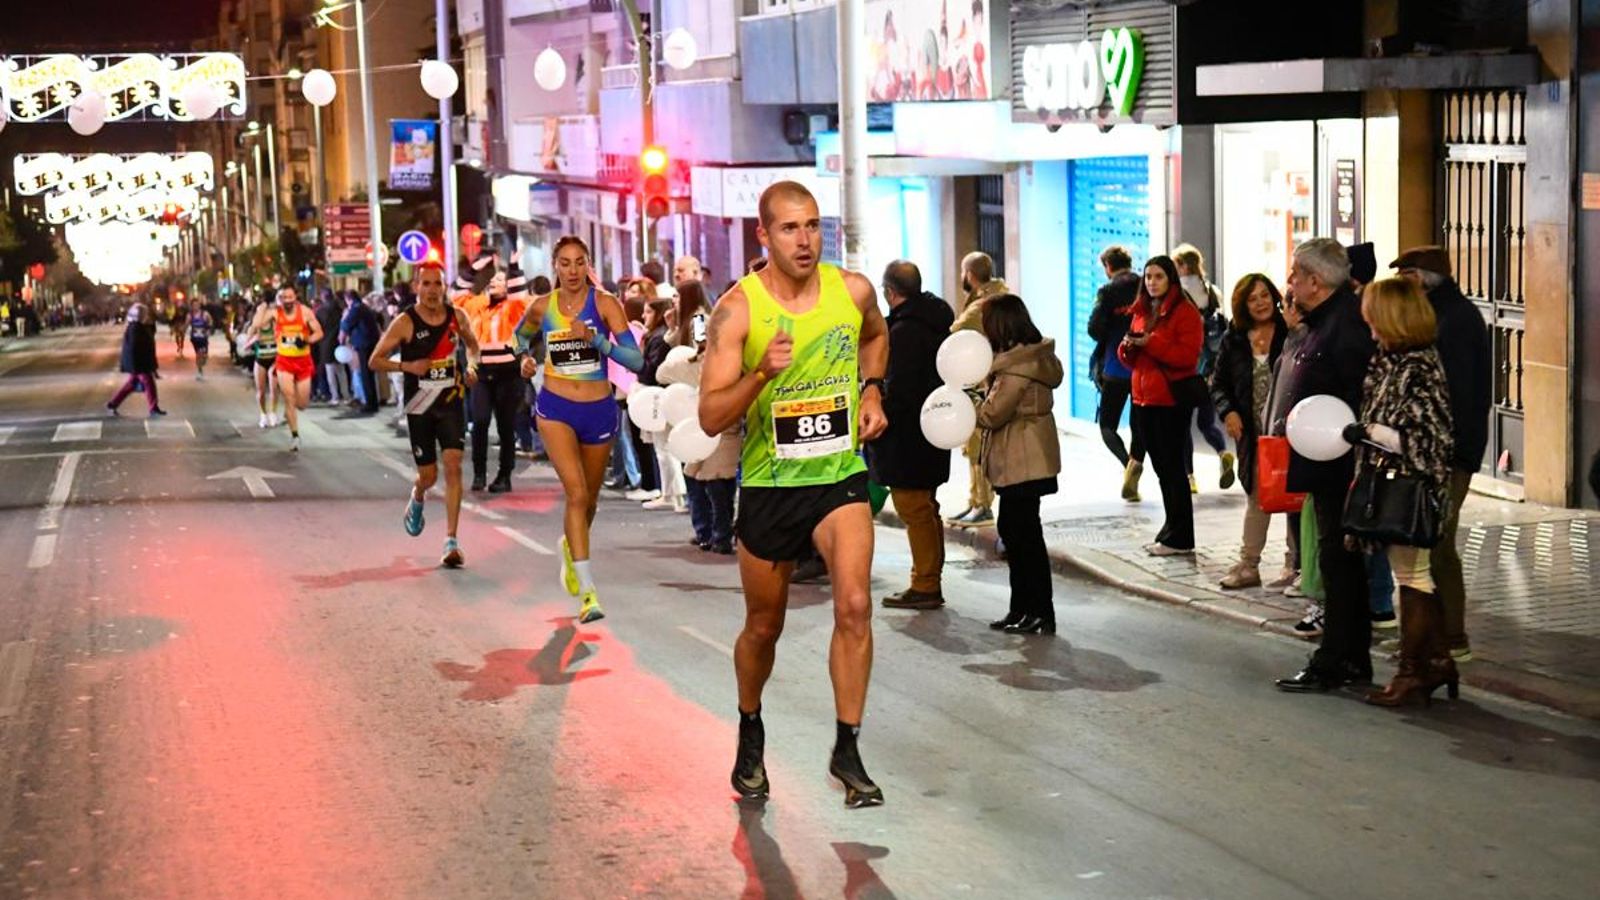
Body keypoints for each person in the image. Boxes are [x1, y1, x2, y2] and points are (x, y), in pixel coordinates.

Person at [698, 180, 889, 809]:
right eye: (789, 228)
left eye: (812, 226)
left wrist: (870, 392)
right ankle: (750, 726)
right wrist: (761, 373)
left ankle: (849, 747)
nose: (804, 240)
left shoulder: (852, 290)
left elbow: (874, 335)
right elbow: (707, 416)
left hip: (838, 476)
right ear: (764, 235)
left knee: (856, 605)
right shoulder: (739, 310)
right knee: (763, 626)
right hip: (772, 485)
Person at [513, 237, 644, 624]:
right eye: (565, 263)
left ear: (588, 265)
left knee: (589, 500)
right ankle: (589, 594)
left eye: (579, 263)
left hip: (598, 410)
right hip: (556, 408)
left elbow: (635, 359)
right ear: (555, 265)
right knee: (575, 493)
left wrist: (599, 341)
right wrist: (524, 359)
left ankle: (571, 546)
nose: (572, 271)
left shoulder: (605, 304)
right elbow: (520, 338)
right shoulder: (542, 306)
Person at [1342, 277, 1458, 706]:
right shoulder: (1388, 360)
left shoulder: (1419, 366)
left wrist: (1370, 431)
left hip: (1411, 489)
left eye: (1373, 316)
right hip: (1385, 484)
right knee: (1412, 576)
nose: (1368, 324)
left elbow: (1428, 441)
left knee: (1413, 577)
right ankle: (1438, 662)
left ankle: (1413, 672)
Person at [1273, 238, 1378, 693]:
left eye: (1296, 274)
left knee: (1339, 564)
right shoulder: (1318, 322)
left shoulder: (1347, 324)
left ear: (1315, 281)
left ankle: (1335, 659)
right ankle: (1349, 657)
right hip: (1322, 464)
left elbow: (1359, 396)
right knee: (1337, 563)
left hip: (1341, 466)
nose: (1290, 282)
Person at [1391, 246, 1491, 662]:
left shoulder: (1453, 320)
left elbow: (1456, 396)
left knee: (1438, 541)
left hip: (1450, 453)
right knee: (1430, 542)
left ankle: (1451, 638)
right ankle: (1430, 638)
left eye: (1407, 274)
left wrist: (1449, 454)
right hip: (1443, 450)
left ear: (1423, 277)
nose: (1402, 283)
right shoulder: (1439, 314)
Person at [369, 262, 481, 568]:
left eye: (438, 284)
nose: (432, 290)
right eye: (426, 284)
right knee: (430, 475)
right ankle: (418, 494)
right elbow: (375, 361)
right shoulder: (405, 322)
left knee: (454, 464)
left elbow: (474, 347)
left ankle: (451, 540)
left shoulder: (458, 317)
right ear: (417, 286)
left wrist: (472, 368)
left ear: (444, 287)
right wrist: (407, 366)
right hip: (419, 405)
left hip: (451, 402)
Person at [866, 259, 954, 610]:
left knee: (915, 509)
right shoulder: (936, 322)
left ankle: (925, 584)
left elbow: (899, 390)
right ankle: (929, 579)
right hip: (933, 430)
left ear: (889, 291)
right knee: (926, 508)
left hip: (907, 438)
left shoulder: (903, 333)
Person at [977, 295, 1063, 634]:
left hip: (1023, 460)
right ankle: (1022, 609)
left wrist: (972, 401)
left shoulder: (1017, 366)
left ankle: (1038, 611)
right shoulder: (1031, 357)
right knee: (1017, 533)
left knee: (1023, 537)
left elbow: (992, 414)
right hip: (1029, 457)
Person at [1118, 256, 1203, 556]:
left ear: (1171, 280)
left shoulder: (1184, 312)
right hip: (1143, 399)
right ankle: (1170, 529)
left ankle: (1180, 538)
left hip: (1170, 401)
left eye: (1159, 276)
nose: (1152, 282)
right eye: (1149, 276)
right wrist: (1127, 348)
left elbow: (1186, 357)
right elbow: (1132, 360)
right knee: (1161, 469)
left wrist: (1150, 343)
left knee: (1172, 469)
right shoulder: (1142, 310)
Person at [1210, 274, 1289, 589]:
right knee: (1258, 496)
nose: (1261, 303)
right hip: (1254, 436)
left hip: (1290, 432)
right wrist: (1228, 411)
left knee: (1295, 497)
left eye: (1265, 296)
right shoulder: (1234, 339)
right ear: (1243, 305)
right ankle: (1248, 565)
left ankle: (1293, 565)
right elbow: (1218, 384)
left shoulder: (1291, 331)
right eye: (1253, 298)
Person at [946, 251, 1010, 528]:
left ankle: (982, 503)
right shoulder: (1000, 295)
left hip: (983, 382)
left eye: (963, 271)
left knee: (977, 446)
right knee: (975, 444)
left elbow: (954, 331)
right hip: (988, 379)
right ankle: (976, 501)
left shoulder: (981, 305)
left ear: (969, 274)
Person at [458, 263, 531, 493]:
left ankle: (504, 475)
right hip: (481, 373)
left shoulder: (516, 306)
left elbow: (520, 295)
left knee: (505, 426)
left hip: (508, 374)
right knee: (479, 423)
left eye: (501, 280)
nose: (494, 283)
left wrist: (514, 268)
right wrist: (474, 266)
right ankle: (479, 473)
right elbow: (457, 296)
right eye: (493, 280)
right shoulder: (478, 306)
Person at [1171, 244, 1234, 493]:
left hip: (1187, 368)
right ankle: (1222, 453)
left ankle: (1189, 478)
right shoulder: (1211, 291)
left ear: (1183, 266)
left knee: (1183, 426)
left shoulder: (1178, 293)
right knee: (1207, 423)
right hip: (1209, 368)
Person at [1086, 244, 1145, 502]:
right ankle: (1136, 461)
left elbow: (1094, 328)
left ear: (1108, 267)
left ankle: (1127, 465)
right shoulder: (1146, 285)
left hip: (1115, 366)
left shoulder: (1107, 291)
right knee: (1138, 423)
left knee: (1108, 425)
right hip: (1144, 366)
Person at [253, 286, 323, 452]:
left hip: (303, 361)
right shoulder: (275, 313)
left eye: (290, 297)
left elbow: (319, 332)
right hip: (284, 361)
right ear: (280, 299)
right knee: (289, 398)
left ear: (295, 297)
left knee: (302, 403)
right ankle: (295, 436)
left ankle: (290, 412)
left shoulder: (305, 312)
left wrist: (307, 340)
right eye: (284, 298)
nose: (288, 301)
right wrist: (262, 307)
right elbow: (256, 325)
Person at [106, 304, 166, 416]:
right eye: (143, 314)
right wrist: (135, 366)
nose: (146, 316)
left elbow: (150, 338)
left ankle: (113, 404)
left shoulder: (141, 326)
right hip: (139, 363)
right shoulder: (135, 328)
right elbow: (134, 349)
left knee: (131, 385)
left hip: (140, 363)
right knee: (149, 383)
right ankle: (153, 408)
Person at [340, 289, 382, 415]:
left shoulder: (356, 308)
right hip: (369, 343)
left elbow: (347, 324)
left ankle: (370, 403)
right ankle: (372, 401)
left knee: (366, 374)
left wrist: (342, 336)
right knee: (368, 373)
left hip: (364, 344)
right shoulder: (363, 307)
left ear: (348, 299)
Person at [249, 297, 282, 427]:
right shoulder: (255, 327)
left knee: (274, 388)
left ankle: (273, 413)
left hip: (274, 359)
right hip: (260, 360)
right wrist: (253, 339)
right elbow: (245, 342)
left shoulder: (275, 324)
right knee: (261, 391)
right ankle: (263, 415)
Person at [316, 289, 349, 405]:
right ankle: (345, 395)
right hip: (339, 342)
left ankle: (335, 396)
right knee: (341, 370)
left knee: (330, 371)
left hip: (325, 344)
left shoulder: (320, 311)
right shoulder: (339, 310)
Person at [187, 301, 214, 381]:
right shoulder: (190, 315)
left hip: (203, 337)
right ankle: (200, 371)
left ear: (199, 305)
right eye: (194, 305)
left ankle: (202, 362)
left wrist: (209, 330)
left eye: (197, 305)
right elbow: (186, 325)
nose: (195, 307)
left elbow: (211, 322)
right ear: (191, 306)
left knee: (204, 356)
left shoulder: (205, 314)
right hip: (195, 338)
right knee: (198, 354)